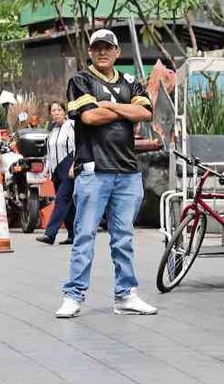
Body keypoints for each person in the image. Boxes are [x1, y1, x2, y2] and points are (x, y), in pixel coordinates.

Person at [56, 29, 157, 318]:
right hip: (93, 171)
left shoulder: (129, 81)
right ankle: (73, 295)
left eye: (108, 47)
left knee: (123, 237)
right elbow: (88, 116)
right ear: (90, 51)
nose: (102, 52)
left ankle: (126, 295)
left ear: (117, 52)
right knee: (84, 235)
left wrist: (110, 106)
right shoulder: (81, 80)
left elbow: (146, 113)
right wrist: (126, 110)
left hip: (127, 172)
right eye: (97, 47)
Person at [36, 102, 75, 245]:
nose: (56, 112)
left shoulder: (72, 125)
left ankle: (50, 234)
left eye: (59, 109)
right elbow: (49, 152)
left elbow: (79, 146)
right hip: (56, 170)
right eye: (53, 110)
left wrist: (74, 165)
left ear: (64, 112)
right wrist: (46, 170)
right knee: (68, 204)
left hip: (69, 167)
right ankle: (73, 235)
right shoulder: (52, 130)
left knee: (61, 200)